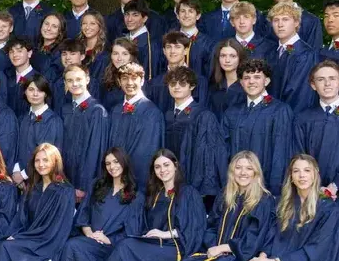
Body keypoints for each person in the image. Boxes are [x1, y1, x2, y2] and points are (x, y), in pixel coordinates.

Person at [67, 149, 207, 261]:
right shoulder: (155, 195)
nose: (162, 170)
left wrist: (163, 234)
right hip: (155, 246)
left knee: (126, 248)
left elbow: (195, 229)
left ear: (175, 165)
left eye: (166, 165)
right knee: (127, 249)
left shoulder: (188, 193)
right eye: (157, 167)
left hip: (176, 248)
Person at [36, 148, 144, 261]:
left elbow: (133, 231)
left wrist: (109, 239)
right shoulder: (98, 186)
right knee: (76, 248)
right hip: (90, 240)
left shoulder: (135, 196)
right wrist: (90, 234)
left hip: (113, 248)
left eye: (116, 162)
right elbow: (83, 217)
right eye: (108, 163)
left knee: (74, 247)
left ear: (124, 163)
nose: (112, 166)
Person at [221, 58, 293, 196]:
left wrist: (274, 191)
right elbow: (224, 151)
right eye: (246, 78)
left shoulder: (280, 110)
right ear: (241, 83)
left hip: (266, 188)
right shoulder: (232, 112)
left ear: (266, 81)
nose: (251, 81)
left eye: (257, 77)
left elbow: (280, 153)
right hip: (237, 187)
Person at [161, 67, 226, 202]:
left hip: (193, 183)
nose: (177, 87)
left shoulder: (203, 116)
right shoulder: (167, 115)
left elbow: (208, 158)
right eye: (173, 84)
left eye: (182, 84)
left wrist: (203, 190)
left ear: (192, 86)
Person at [108, 62, 164, 190]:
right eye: (124, 78)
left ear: (142, 80)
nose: (129, 83)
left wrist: (127, 178)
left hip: (138, 181)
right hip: (115, 178)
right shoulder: (115, 111)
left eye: (134, 78)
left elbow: (146, 154)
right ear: (119, 81)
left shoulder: (151, 112)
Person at [61, 64, 110, 199]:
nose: (74, 84)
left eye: (78, 79)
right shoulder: (65, 109)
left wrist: (84, 186)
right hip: (66, 180)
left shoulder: (97, 111)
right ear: (65, 83)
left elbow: (95, 151)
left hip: (85, 183)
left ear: (87, 80)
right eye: (70, 80)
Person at [294, 60, 339, 191]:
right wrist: (312, 185)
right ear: (313, 85)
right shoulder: (303, 118)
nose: (327, 84)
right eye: (321, 79)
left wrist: (336, 185)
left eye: (332, 78)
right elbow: (299, 154)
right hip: (310, 190)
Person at [12, 74, 64, 185]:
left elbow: (46, 155)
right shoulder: (23, 119)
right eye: (31, 89)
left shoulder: (52, 120)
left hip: (41, 180)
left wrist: (23, 175)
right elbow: (16, 147)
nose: (35, 94)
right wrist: (16, 171)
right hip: (19, 178)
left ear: (46, 94)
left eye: (40, 90)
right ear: (25, 92)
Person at [267, 1, 318, 113]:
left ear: (296, 22)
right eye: (276, 20)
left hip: (292, 117)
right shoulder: (272, 53)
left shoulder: (305, 54)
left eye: (285, 19)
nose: (280, 24)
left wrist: (282, 119)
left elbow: (299, 95)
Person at [207, 38, 248, 121]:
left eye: (232, 56)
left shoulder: (247, 86)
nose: (227, 60)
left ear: (240, 58)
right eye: (223, 56)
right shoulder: (213, 85)